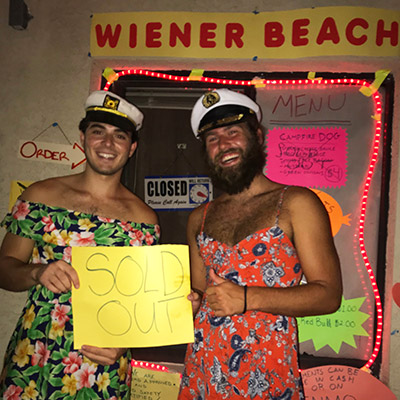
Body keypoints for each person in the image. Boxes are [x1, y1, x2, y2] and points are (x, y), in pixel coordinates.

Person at [178, 89, 342, 400]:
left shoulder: (296, 202)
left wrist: (246, 298)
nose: (223, 144)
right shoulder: (199, 217)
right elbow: (198, 296)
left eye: (232, 131)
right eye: (212, 138)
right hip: (204, 372)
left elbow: (328, 295)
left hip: (266, 374)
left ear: (257, 135)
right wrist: (192, 301)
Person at [0, 90, 160, 399]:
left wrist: (125, 343)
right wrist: (37, 272)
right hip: (37, 351)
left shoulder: (145, 219)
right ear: (83, 137)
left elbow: (143, 303)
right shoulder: (39, 196)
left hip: (103, 362)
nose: (107, 143)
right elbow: (3, 268)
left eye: (120, 136)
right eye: (98, 132)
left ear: (132, 147)